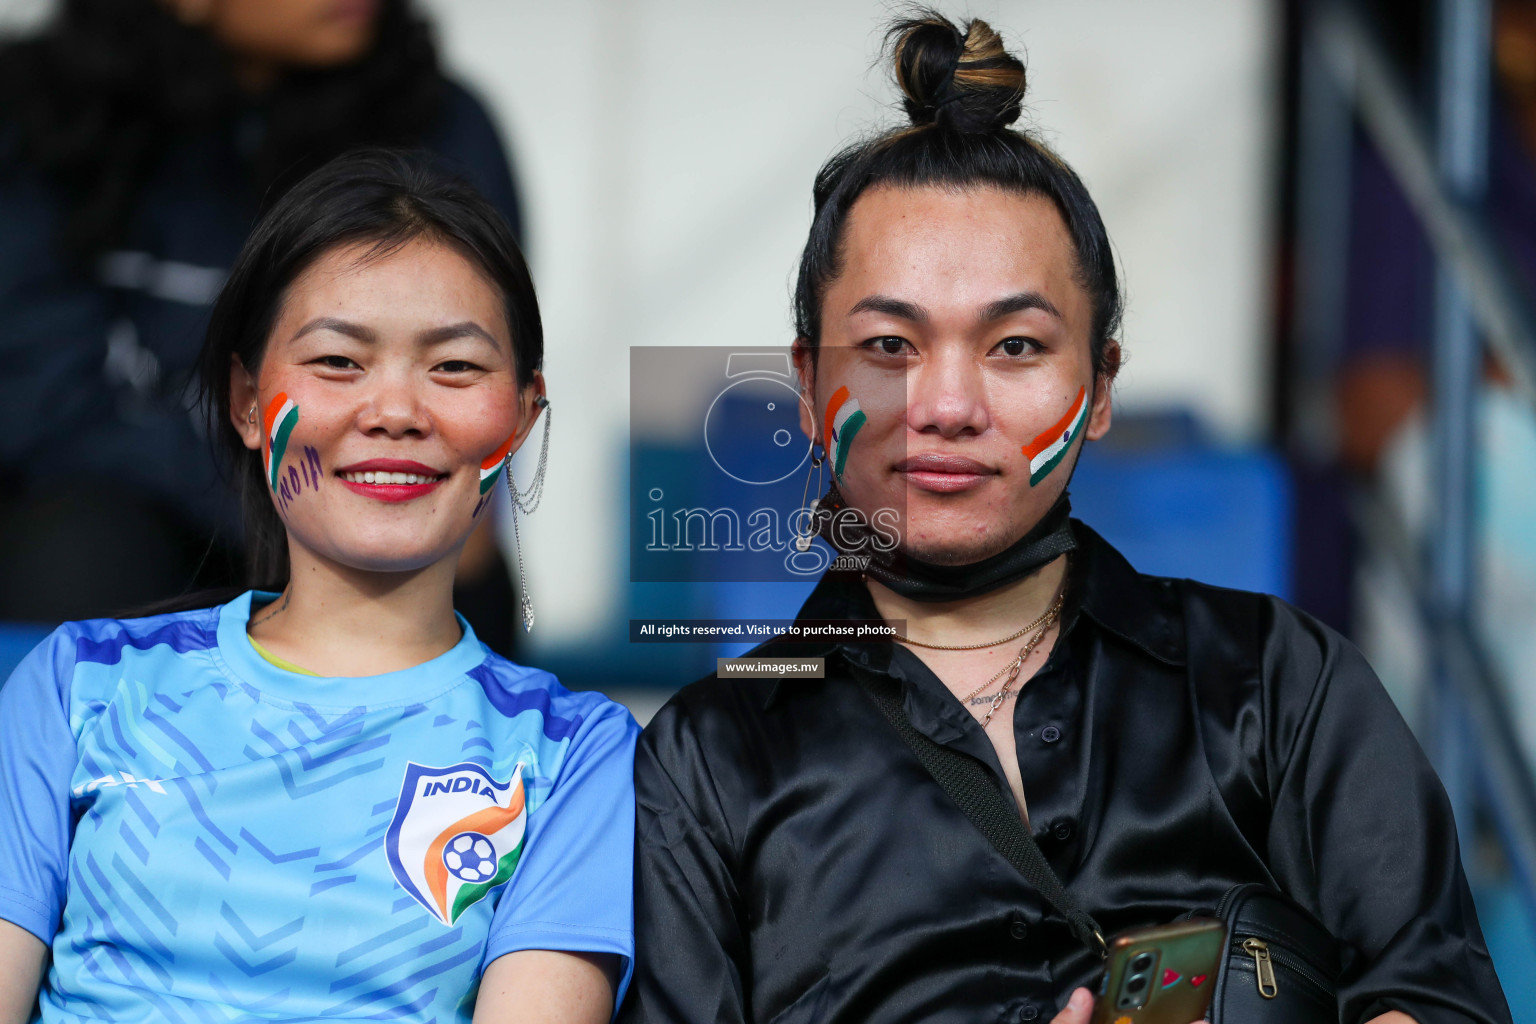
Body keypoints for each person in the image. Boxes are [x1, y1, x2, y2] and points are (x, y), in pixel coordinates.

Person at [619, 12, 1511, 1024]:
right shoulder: (707, 765)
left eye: (1014, 347)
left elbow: (1434, 995)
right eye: (888, 346)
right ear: (807, 380)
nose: (946, 406)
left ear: (1100, 387)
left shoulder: (1277, 684)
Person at [0, 151, 636, 1022]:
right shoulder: (79, 686)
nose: (395, 410)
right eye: (339, 361)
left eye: (454, 367)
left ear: (522, 415)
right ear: (248, 401)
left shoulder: (572, 755)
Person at [0, 0, 522, 650]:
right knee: (76, 547)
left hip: (347, 491)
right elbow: (42, 407)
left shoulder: (441, 124)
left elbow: (484, 358)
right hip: (127, 511)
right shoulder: (35, 117)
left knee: (453, 574)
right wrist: (272, 498)